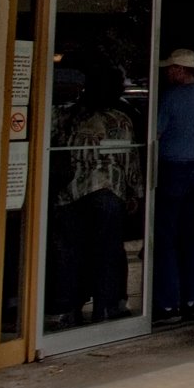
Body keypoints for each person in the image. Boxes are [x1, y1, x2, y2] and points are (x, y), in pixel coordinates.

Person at [48, 56, 140, 327]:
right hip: (108, 192)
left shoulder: (68, 116)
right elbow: (129, 159)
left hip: (70, 192)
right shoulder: (120, 119)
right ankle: (106, 307)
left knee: (70, 252)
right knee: (107, 251)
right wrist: (135, 192)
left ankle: (68, 309)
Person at [153, 49, 194, 325]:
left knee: (166, 237)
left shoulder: (171, 98)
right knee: (191, 236)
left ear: (181, 69)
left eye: (171, 68)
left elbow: (155, 133)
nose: (167, 73)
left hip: (173, 168)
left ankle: (168, 304)